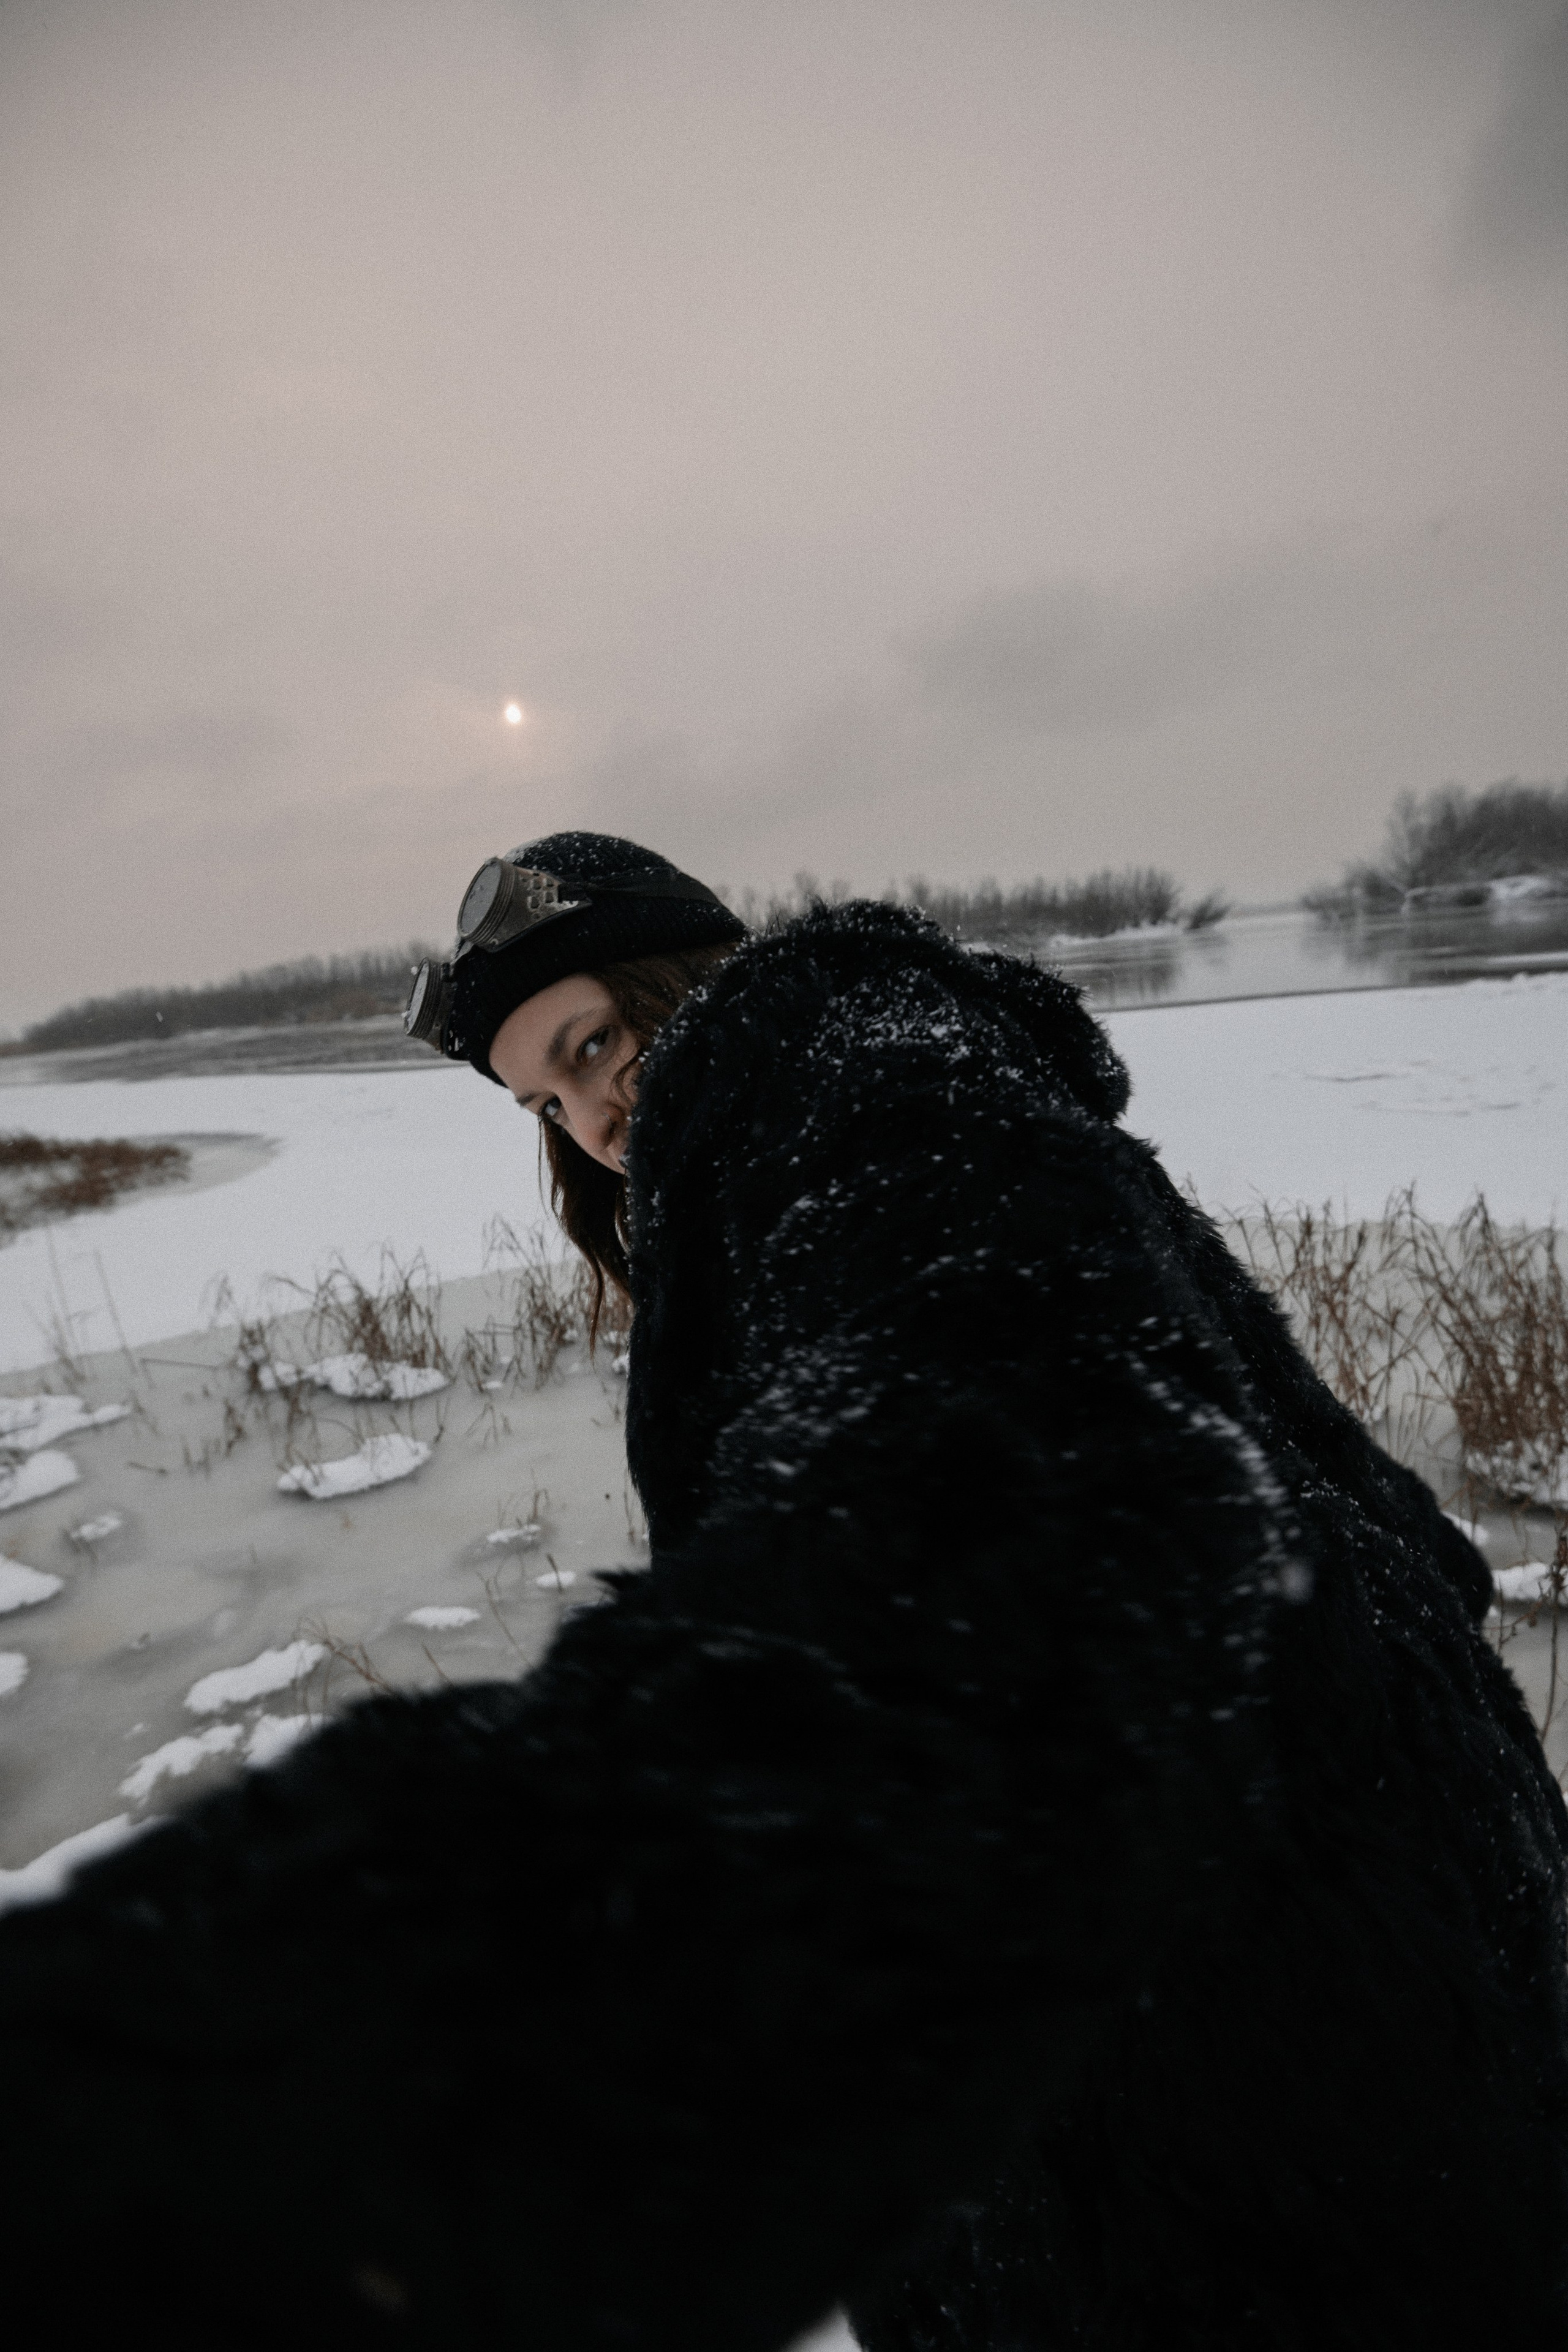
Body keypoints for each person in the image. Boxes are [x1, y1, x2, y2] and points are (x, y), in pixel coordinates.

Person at [1, 831, 1564, 2351]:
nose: (593, 1113)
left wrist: (423, 2021)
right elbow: (1375, 1516)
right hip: (1236, 1946)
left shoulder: (860, 1061)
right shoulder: (759, 1170)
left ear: (691, 971)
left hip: (1285, 2031)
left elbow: (996, 1462)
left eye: (597, 1036)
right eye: (545, 1094)